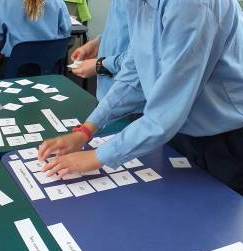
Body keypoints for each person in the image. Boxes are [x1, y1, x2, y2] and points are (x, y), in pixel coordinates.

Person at [39, 0, 243, 203]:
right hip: (181, 131)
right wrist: (86, 131)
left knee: (215, 222)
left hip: (223, 139)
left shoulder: (191, 5)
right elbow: (134, 73)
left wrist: (97, 157)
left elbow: (165, 114)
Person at [70, 0, 129, 100]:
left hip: (129, 95)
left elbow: (144, 55)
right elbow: (119, 26)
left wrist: (101, 65)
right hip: (107, 91)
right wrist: (97, 43)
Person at [0, 0, 71, 59]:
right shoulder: (58, 2)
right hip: (51, 69)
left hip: (13, 72)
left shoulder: (2, 3)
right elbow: (66, 33)